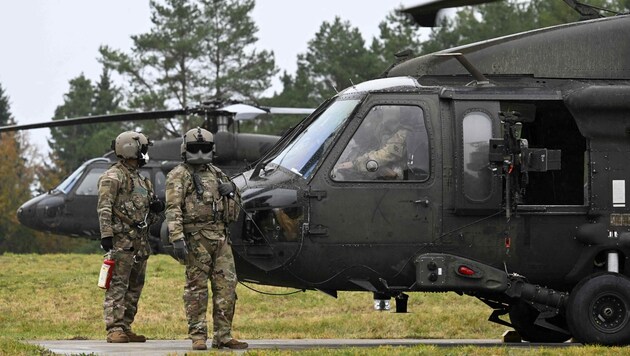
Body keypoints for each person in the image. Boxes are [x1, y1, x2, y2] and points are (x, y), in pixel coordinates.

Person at [165, 127, 247, 351]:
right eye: (195, 148)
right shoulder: (178, 175)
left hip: (220, 237)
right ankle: (198, 335)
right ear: (185, 149)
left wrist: (232, 188)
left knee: (227, 287)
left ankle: (223, 335)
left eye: (204, 148)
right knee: (196, 289)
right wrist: (177, 238)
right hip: (196, 238)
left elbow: (235, 197)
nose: (200, 153)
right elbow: (173, 209)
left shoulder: (216, 172)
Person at [97, 131, 164, 343]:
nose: (146, 153)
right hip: (121, 243)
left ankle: (125, 327)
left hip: (140, 244)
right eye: (143, 149)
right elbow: (104, 207)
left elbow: (147, 216)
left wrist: (156, 209)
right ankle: (114, 329)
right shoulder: (112, 177)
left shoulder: (143, 181)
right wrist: (106, 234)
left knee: (135, 287)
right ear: (132, 149)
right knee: (118, 285)